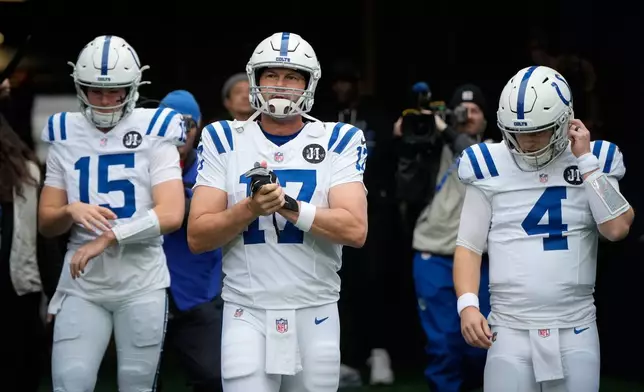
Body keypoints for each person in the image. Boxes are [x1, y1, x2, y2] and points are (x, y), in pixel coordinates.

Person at [187, 32, 368, 392]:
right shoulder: (224, 138)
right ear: (255, 80)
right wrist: (249, 209)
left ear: (309, 83)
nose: (281, 86)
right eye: (271, 75)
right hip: (246, 309)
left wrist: (288, 206)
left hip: (315, 309)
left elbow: (355, 230)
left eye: (292, 77)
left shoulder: (338, 139)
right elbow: (198, 236)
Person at [454, 65, 634, 391]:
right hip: (509, 327)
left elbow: (618, 228)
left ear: (567, 121)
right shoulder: (487, 164)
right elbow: (468, 245)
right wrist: (467, 305)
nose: (526, 142)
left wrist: (588, 164)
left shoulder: (596, 158)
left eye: (538, 131)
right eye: (518, 132)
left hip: (575, 325)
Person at [38, 35, 186, 392]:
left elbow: (172, 214)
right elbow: (46, 222)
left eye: (115, 91)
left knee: (136, 386)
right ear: (79, 88)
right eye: (95, 91)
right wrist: (70, 210)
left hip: (142, 281)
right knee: (70, 383)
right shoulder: (65, 132)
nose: (105, 100)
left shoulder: (156, 128)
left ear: (133, 88)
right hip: (83, 282)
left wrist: (110, 236)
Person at [411, 84, 490, 392]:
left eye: (475, 110)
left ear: (487, 118)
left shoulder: (498, 151)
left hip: (480, 259)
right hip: (435, 254)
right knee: (443, 344)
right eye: (461, 110)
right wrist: (408, 134)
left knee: (481, 343)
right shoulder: (431, 146)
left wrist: (447, 130)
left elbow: (472, 154)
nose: (467, 115)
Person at [157, 90, 224, 392]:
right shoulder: (134, 164)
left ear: (199, 127)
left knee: (215, 378)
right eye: (169, 122)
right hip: (140, 287)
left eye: (188, 123)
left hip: (198, 291)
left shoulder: (213, 168)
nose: (180, 131)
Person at [0, 81, 63, 392]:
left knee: (22, 370)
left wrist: (56, 295)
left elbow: (43, 239)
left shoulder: (26, 172)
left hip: (19, 294)